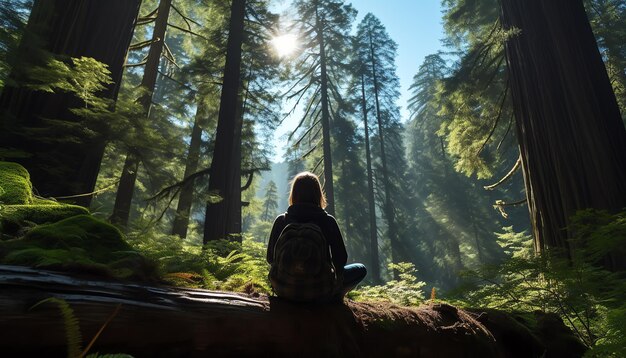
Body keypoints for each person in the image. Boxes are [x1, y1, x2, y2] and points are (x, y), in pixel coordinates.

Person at [267, 171, 367, 301]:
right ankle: (336, 297)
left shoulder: (282, 220)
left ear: (294, 194)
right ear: (318, 194)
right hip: (320, 290)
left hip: (285, 290)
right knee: (360, 269)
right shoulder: (327, 221)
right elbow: (341, 259)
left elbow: (270, 258)